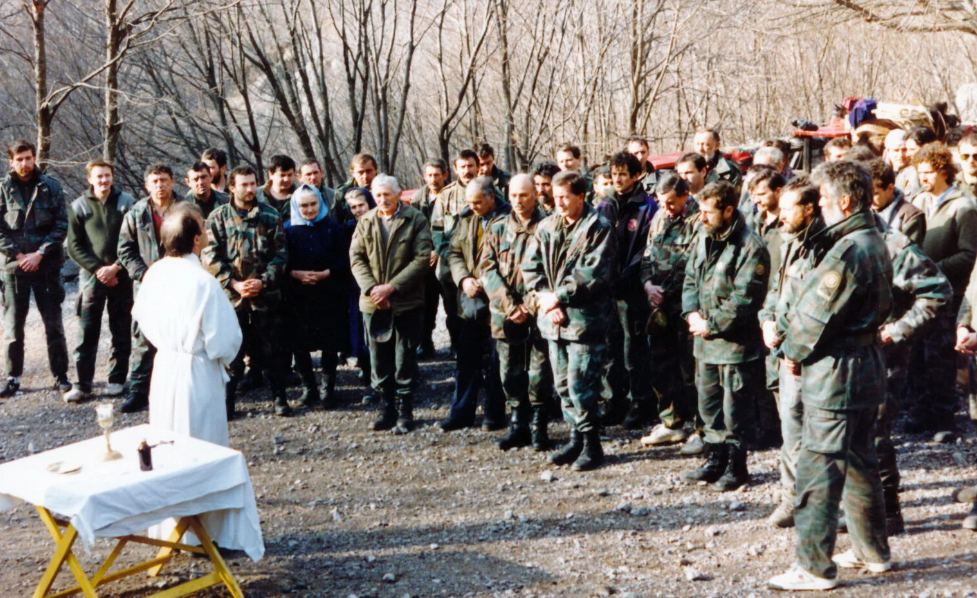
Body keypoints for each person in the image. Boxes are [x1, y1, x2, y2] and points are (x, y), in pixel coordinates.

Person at [767, 160, 893, 591]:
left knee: (818, 469)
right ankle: (871, 551)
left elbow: (812, 319)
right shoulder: (871, 238)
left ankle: (813, 567)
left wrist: (791, 353)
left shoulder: (848, 250)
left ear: (843, 201)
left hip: (836, 373)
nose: (817, 208)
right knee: (860, 463)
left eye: (821, 200)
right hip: (864, 368)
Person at [522, 171, 615, 471]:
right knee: (562, 384)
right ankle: (575, 438)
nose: (558, 202)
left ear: (581, 196)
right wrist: (546, 301)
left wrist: (558, 297)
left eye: (565, 197)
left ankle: (592, 444)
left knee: (581, 385)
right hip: (554, 321)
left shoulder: (598, 227)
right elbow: (531, 268)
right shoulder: (546, 226)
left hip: (584, 322)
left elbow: (593, 273)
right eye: (555, 196)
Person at [681, 181, 769, 492]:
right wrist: (691, 313)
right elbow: (690, 277)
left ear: (728, 211)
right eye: (700, 211)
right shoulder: (704, 238)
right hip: (704, 343)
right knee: (708, 407)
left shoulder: (751, 247)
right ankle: (715, 459)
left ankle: (737, 465)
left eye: (707, 212)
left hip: (735, 346)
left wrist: (712, 324)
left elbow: (745, 299)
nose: (701, 217)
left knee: (736, 410)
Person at [132, 203, 242, 446]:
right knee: (200, 440)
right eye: (203, 228)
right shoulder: (204, 281)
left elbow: (142, 316)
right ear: (196, 239)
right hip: (197, 370)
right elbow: (225, 338)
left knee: (168, 434)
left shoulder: (154, 273)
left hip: (165, 365)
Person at [203, 165, 291, 418]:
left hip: (266, 297)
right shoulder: (218, 218)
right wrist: (234, 283)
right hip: (232, 299)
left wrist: (263, 281)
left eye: (253, 183)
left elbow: (281, 255)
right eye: (244, 184)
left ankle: (279, 399)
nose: (250, 189)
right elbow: (210, 256)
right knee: (233, 354)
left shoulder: (270, 215)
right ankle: (228, 403)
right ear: (232, 187)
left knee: (273, 350)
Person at [761, 180, 823, 528]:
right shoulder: (789, 242)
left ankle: (823, 503)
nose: (780, 215)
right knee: (791, 429)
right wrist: (767, 320)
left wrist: (798, 350)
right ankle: (792, 497)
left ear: (809, 209)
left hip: (810, 357)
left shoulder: (824, 249)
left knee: (819, 435)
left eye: (788, 209)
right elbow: (777, 290)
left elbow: (817, 309)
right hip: (785, 353)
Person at [349, 174, 432, 434]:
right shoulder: (365, 222)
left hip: (406, 301)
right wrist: (374, 289)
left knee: (404, 356)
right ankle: (387, 409)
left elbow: (422, 259)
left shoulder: (415, 219)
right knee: (379, 358)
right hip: (374, 303)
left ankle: (406, 411)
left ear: (398, 194)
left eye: (388, 194)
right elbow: (356, 257)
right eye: (378, 195)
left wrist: (392, 287)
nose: (383, 199)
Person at [909, 144, 977, 439]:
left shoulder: (964, 207)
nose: (922, 178)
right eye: (919, 172)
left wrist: (933, 267)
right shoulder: (918, 201)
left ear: (942, 171)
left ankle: (943, 418)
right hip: (919, 294)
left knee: (941, 359)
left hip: (949, 294)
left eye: (927, 173)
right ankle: (921, 412)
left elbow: (968, 255)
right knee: (917, 357)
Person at [481, 174, 553, 450]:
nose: (519, 201)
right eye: (513, 195)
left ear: (536, 194)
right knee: (509, 372)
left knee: (539, 372)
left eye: (524, 195)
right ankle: (517, 425)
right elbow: (487, 270)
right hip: (506, 314)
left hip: (538, 313)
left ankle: (539, 427)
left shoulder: (549, 226)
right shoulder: (497, 228)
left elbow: (553, 272)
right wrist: (511, 306)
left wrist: (531, 305)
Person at [0, 140, 72, 398]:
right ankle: (12, 377)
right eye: (19, 159)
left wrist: (40, 254)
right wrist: (19, 255)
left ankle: (61, 375)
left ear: (35, 158)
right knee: (13, 327)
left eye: (28, 158)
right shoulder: (2, 189)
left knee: (53, 323)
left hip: (48, 266)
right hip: (14, 268)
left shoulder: (51, 187)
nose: (24, 164)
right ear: (11, 161)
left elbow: (62, 225)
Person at [439, 177, 511, 432]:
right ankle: (462, 412)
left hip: (499, 301)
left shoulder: (509, 217)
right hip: (469, 301)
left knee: (496, 361)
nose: (473, 206)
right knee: (466, 360)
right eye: (469, 202)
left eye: (478, 202)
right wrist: (463, 279)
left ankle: (494, 413)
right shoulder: (466, 216)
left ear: (492, 197)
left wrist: (487, 280)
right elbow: (454, 252)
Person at [64, 159, 136, 403]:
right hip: (92, 278)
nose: (103, 180)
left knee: (121, 329)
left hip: (122, 276)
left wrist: (115, 268)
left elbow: (134, 240)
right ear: (89, 179)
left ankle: (116, 380)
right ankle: (83, 384)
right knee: (87, 331)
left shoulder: (127, 203)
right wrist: (99, 270)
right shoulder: (79, 206)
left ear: (112, 176)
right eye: (98, 176)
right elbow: (74, 246)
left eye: (107, 175)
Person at [639, 174, 701, 451]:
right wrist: (648, 285)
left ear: (685, 195)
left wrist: (671, 292)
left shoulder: (700, 220)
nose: (667, 208)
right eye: (662, 203)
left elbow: (696, 265)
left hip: (687, 306)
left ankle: (702, 427)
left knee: (693, 369)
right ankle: (672, 423)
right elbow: (648, 256)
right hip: (659, 307)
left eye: (672, 203)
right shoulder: (659, 218)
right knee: (661, 366)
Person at [596, 151, 658, 429]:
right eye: (614, 173)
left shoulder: (647, 207)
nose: (618, 179)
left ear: (636, 175)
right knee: (611, 347)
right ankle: (613, 401)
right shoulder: (603, 205)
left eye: (623, 174)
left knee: (635, 348)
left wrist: (628, 275)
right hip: (607, 290)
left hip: (633, 288)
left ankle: (641, 401)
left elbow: (648, 248)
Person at [118, 163, 184, 413]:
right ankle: (138, 391)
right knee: (144, 336)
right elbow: (124, 249)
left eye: (164, 180)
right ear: (147, 185)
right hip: (147, 285)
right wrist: (144, 275)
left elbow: (199, 241)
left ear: (173, 181)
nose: (160, 185)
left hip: (179, 282)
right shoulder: (136, 213)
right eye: (154, 181)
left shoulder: (185, 210)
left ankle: (178, 390)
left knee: (179, 335)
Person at [283, 184, 349, 409]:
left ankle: (327, 390)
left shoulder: (333, 227)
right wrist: (295, 273)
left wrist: (326, 274)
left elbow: (345, 258)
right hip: (298, 294)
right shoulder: (287, 229)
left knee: (329, 343)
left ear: (320, 204)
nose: (309, 209)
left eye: (313, 204)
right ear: (295, 206)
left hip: (328, 292)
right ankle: (308, 389)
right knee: (300, 344)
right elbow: (281, 261)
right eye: (304, 205)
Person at [747, 167, 787, 449]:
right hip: (754, 303)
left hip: (779, 304)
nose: (757, 200)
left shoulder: (788, 227)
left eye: (762, 193)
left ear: (778, 191)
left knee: (778, 370)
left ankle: (785, 430)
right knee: (757, 369)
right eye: (753, 194)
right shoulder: (752, 223)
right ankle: (766, 426)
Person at [431, 149, 481, 351]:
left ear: (478, 167)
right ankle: (457, 348)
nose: (467, 170)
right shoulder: (445, 197)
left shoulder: (490, 191)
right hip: (450, 269)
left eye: (470, 166)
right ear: (455, 169)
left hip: (480, 267)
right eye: (463, 167)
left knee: (480, 313)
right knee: (453, 313)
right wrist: (450, 259)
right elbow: (436, 231)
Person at [410, 159, 449, 358]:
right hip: (425, 261)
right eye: (429, 175)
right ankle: (426, 343)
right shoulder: (418, 200)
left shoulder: (452, 196)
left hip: (448, 258)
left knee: (452, 305)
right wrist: (425, 252)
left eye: (437, 175)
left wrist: (439, 250)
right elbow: (414, 230)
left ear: (445, 175)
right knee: (426, 304)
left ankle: (457, 346)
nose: (433, 179)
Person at [343, 188, 376, 398]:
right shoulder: (347, 228)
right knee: (361, 335)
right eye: (353, 207)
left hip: (381, 284)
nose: (357, 210)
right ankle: (367, 372)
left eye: (361, 205)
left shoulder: (380, 222)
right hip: (356, 287)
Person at [868, 158, 925, 245]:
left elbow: (909, 254)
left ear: (890, 188)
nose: (869, 200)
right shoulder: (865, 210)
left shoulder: (909, 216)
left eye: (875, 194)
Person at [298, 158, 345, 223]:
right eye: (308, 174)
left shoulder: (335, 196)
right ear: (299, 177)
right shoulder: (295, 200)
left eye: (315, 173)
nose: (313, 177)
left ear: (321, 173)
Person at [956, 133, 977, 198]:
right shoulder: (950, 185)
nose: (971, 161)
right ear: (959, 158)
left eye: (976, 156)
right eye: (965, 156)